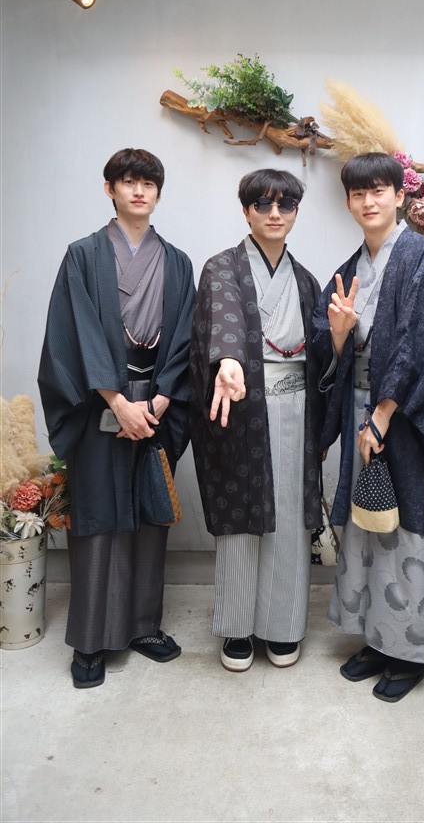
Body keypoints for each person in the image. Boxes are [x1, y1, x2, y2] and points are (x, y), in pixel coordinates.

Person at [38, 149, 195, 688]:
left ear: (158, 193)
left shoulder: (177, 262)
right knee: (99, 515)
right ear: (110, 189)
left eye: (148, 183)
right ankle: (90, 641)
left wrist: (163, 399)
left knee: (149, 513)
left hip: (156, 404)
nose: (139, 191)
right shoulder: (83, 255)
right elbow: (73, 333)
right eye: (128, 182)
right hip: (100, 400)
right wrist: (117, 401)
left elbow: (186, 338)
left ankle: (142, 626)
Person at [312, 152, 424, 702]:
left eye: (379, 191)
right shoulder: (349, 269)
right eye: (358, 194)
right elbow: (328, 344)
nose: (368, 202)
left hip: (407, 415)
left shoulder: (422, 256)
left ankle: (408, 652)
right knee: (368, 522)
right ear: (349, 203)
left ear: (400, 196)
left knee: (409, 527)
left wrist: (383, 414)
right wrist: (340, 334)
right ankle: (376, 638)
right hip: (359, 409)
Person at [190, 169, 324, 671]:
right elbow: (223, 318)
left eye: (285, 205)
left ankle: (283, 626)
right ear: (246, 211)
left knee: (289, 516)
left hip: (296, 412)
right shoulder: (221, 269)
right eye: (263, 204)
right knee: (242, 519)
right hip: (241, 407)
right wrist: (227, 362)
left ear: (295, 213)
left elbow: (321, 355)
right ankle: (236, 628)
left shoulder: (306, 281)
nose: (274, 214)